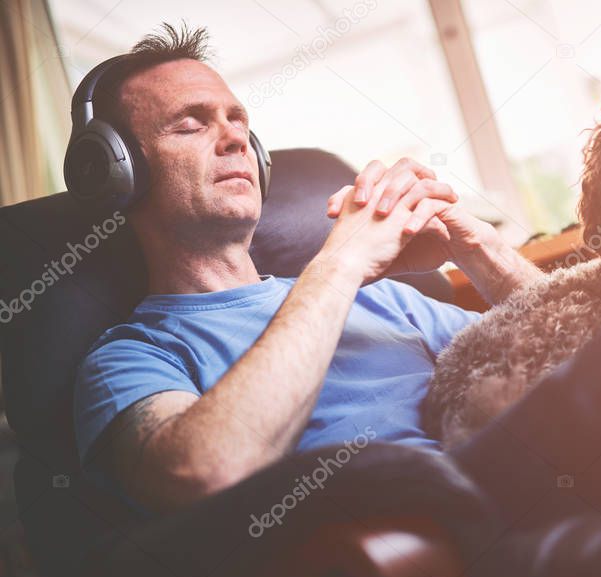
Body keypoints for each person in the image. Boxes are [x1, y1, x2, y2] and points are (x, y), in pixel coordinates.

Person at [72, 23, 542, 514]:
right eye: (191, 124)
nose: (234, 137)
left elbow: (571, 356)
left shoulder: (383, 296)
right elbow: (202, 472)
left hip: (538, 490)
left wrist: (483, 253)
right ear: (118, 172)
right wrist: (339, 264)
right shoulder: (130, 358)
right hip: (437, 550)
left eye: (238, 120)